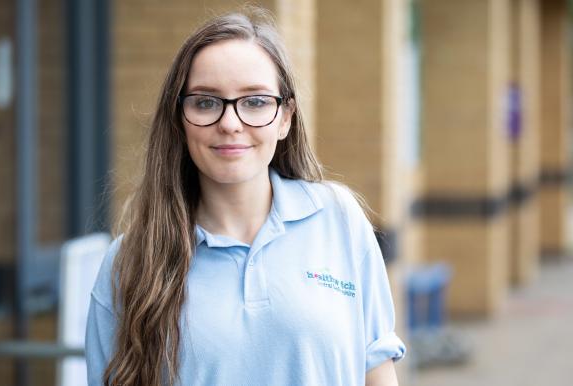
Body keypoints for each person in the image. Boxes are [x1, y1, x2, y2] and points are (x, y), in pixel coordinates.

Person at [85, 8, 406, 386]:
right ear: (179, 119)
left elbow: (377, 371)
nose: (230, 123)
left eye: (254, 101)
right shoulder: (130, 264)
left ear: (285, 117)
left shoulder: (339, 219)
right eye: (206, 102)